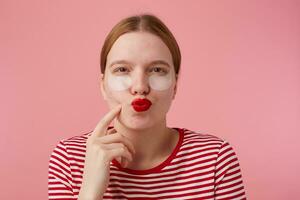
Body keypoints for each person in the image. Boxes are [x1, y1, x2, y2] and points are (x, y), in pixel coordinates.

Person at [48, 14, 246, 200]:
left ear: (175, 86)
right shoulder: (70, 158)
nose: (140, 87)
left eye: (157, 70)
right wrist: (90, 191)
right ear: (103, 86)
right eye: (122, 69)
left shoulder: (215, 159)